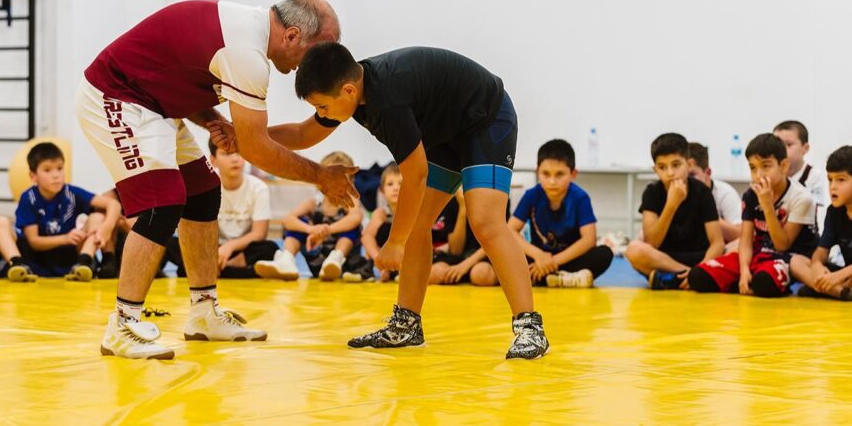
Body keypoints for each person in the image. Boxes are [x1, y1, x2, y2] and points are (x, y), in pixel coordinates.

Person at [78, 0, 357, 359]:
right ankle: (123, 325)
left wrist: (212, 121)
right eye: (316, 54)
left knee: (203, 191)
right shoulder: (247, 54)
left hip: (154, 102)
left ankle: (203, 313)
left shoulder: (247, 31)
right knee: (161, 202)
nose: (315, 66)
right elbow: (255, 149)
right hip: (116, 95)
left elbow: (175, 74)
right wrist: (320, 176)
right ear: (291, 35)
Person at [290, 43, 549, 360]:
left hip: (487, 118)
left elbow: (414, 176)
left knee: (485, 221)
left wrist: (395, 243)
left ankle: (529, 327)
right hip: (445, 132)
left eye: (322, 107)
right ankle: (407, 324)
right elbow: (303, 134)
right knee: (415, 223)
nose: (321, 115)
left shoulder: (388, 100)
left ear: (346, 91)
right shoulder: (353, 91)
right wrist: (248, 135)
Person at [689, 134, 818, 297]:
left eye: (766, 166)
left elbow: (782, 245)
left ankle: (751, 279)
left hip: (788, 257)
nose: (758, 174)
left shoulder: (801, 198)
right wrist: (743, 270)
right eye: (753, 168)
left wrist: (768, 207)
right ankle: (743, 278)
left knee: (763, 283)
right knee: (698, 276)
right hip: (759, 252)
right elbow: (746, 239)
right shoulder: (751, 195)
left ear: (784, 166)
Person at [0, 142, 121, 282]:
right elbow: (34, 241)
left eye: (59, 168)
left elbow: (113, 204)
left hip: (68, 257)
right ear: (33, 176)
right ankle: (17, 264)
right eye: (47, 170)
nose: (56, 175)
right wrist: (65, 238)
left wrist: (106, 227)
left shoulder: (72, 193)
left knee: (97, 217)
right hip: (34, 258)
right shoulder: (29, 198)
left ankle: (84, 262)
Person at [625, 133, 724, 290]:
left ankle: (673, 280)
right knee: (634, 249)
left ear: (688, 164)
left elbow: (717, 242)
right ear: (655, 169)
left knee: (734, 250)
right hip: (665, 260)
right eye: (662, 167)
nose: (670, 173)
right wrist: (671, 205)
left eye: (676, 165)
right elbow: (652, 242)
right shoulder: (652, 192)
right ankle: (687, 277)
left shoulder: (702, 192)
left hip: (700, 257)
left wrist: (702, 268)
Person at [508, 139, 613, 288]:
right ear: (537, 172)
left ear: (573, 174)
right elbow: (510, 230)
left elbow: (589, 239)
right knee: (509, 257)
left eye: (559, 174)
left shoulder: (580, 198)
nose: (552, 181)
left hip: (568, 259)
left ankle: (545, 277)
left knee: (604, 253)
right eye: (546, 174)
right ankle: (563, 278)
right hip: (537, 259)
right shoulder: (531, 196)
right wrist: (538, 255)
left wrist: (553, 261)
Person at [256, 152, 371, 282]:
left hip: (344, 264)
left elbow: (355, 218)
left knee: (351, 227)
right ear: (319, 180)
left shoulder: (350, 203)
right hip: (318, 261)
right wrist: (310, 229)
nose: (334, 184)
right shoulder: (314, 203)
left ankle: (336, 257)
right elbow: (288, 220)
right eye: (330, 178)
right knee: (298, 223)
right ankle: (287, 260)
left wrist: (327, 230)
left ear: (350, 182)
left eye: (341, 179)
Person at [207, 138, 278, 279]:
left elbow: (259, 233)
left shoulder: (258, 188)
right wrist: (214, 254)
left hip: (242, 250)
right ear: (213, 160)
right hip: (213, 248)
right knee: (173, 244)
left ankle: (218, 270)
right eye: (226, 154)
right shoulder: (207, 187)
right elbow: (201, 229)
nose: (235, 159)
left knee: (269, 248)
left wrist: (230, 246)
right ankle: (227, 270)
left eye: (238, 153)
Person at [790, 145, 852, 300]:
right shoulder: (834, 211)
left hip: (845, 274)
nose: (833, 187)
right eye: (830, 179)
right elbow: (821, 252)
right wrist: (817, 267)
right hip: (844, 276)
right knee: (797, 261)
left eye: (841, 180)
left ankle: (829, 289)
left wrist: (838, 276)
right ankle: (841, 293)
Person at [687, 142, 742, 244]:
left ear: (708, 173)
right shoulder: (674, 193)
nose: (686, 180)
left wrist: (709, 214)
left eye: (692, 174)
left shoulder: (725, 193)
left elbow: (741, 236)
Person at [363, 163, 402, 282]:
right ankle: (382, 268)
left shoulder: (415, 212)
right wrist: (378, 260)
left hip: (407, 260)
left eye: (401, 183)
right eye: (390, 184)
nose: (396, 188)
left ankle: (403, 270)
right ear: (382, 190)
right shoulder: (381, 213)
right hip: (386, 260)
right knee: (370, 243)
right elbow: (367, 237)